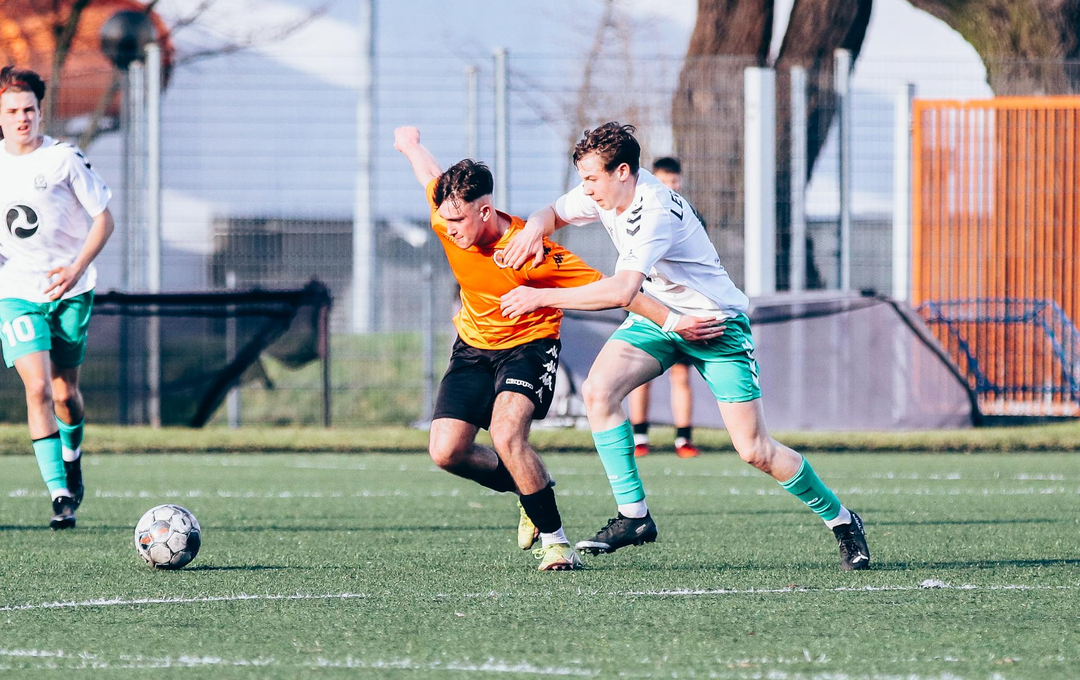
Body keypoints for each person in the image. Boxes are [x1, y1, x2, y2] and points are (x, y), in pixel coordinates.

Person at [499, 122, 870, 571]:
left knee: (755, 450)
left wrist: (540, 296)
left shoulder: (652, 210)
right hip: (662, 320)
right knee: (599, 391)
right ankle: (634, 516)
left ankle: (842, 520)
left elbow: (622, 291)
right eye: (584, 180)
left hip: (715, 326)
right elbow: (552, 212)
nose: (587, 189)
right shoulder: (605, 193)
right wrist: (533, 229)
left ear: (622, 172)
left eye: (592, 179)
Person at [393, 126, 722, 571]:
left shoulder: (534, 253)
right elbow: (429, 174)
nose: (448, 231)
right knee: (446, 452)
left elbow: (618, 291)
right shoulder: (448, 213)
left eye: (457, 222)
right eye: (444, 221)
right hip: (472, 346)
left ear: (485, 210)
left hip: (529, 346)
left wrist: (673, 321)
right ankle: (530, 487)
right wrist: (411, 145)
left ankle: (557, 544)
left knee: (507, 434)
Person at [0, 67, 115, 529]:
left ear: (40, 111)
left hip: (71, 290)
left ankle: (73, 458)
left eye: (28, 109)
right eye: (12, 111)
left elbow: (104, 219)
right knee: (38, 388)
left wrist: (75, 268)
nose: (22, 118)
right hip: (16, 293)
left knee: (66, 393)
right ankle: (60, 495)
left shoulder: (63, 159)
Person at [628, 157, 698, 458]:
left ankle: (683, 439)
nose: (670, 186)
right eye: (664, 180)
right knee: (639, 373)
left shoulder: (689, 214)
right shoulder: (637, 214)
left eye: (674, 181)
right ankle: (639, 437)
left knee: (680, 375)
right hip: (647, 304)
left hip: (680, 307)